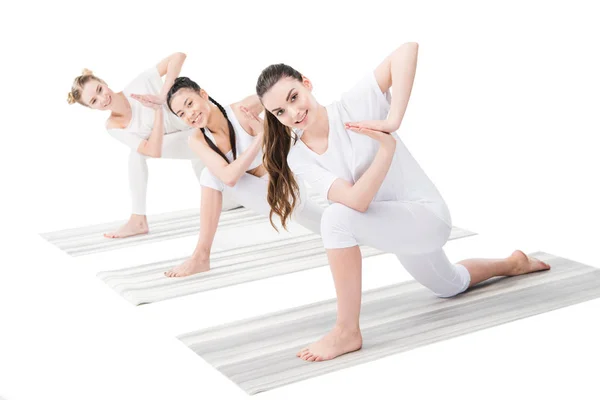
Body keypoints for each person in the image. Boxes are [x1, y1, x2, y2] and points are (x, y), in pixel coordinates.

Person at [256, 42, 551, 362]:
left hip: (427, 216)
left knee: (334, 220)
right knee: (449, 285)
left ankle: (346, 330)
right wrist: (386, 150)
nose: (293, 112)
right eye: (280, 112)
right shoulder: (298, 156)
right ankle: (513, 263)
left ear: (306, 84)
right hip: (398, 229)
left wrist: (392, 121)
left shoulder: (353, 105)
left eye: (294, 97)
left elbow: (406, 50)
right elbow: (356, 200)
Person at [160, 77, 324, 277]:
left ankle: (201, 257)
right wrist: (260, 137)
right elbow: (228, 177)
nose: (190, 114)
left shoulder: (242, 110)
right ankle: (201, 256)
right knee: (211, 174)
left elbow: (276, 92)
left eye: (190, 103)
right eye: (182, 114)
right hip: (266, 200)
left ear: (203, 94)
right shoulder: (196, 139)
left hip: (287, 187)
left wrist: (300, 83)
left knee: (333, 226)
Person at [67, 52, 239, 239]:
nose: (102, 99)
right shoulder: (113, 126)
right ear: (92, 108)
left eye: (100, 90)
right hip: (192, 143)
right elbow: (153, 150)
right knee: (226, 202)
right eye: (94, 101)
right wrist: (157, 112)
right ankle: (138, 221)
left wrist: (163, 93)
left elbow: (179, 56)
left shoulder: (139, 84)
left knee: (137, 155)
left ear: (104, 83)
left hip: (205, 130)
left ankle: (137, 219)